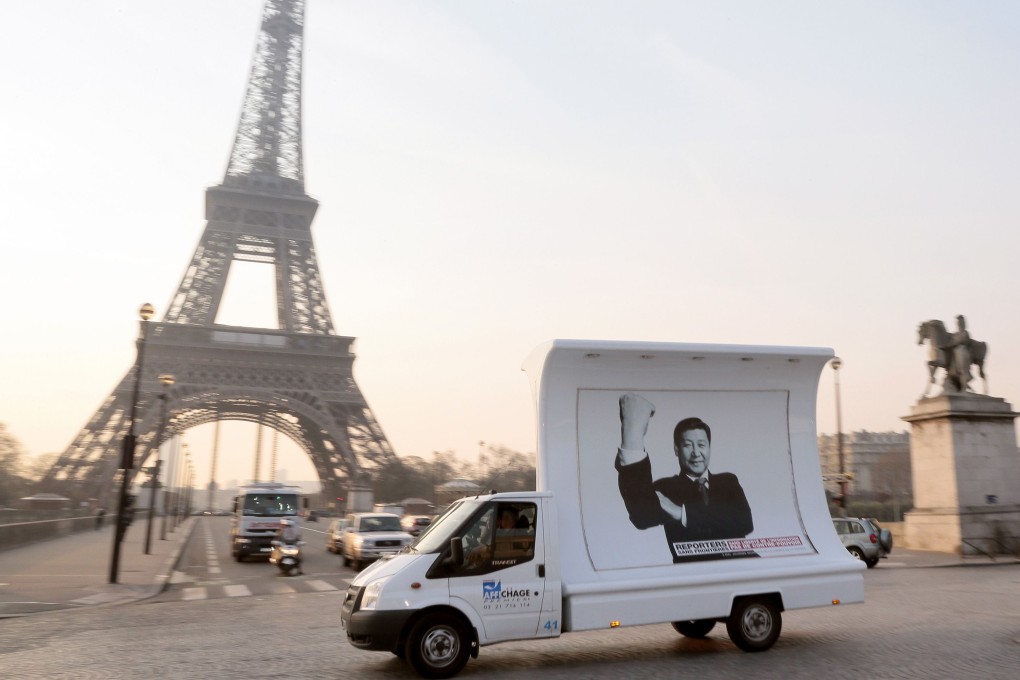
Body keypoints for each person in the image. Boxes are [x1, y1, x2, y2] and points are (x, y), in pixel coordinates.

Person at [615, 392, 753, 563]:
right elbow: (642, 517)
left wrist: (682, 513)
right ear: (676, 449)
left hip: (745, 568)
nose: (696, 453)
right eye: (687, 445)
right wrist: (632, 435)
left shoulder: (728, 481)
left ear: (709, 447)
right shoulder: (665, 488)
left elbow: (744, 522)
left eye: (701, 445)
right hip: (694, 576)